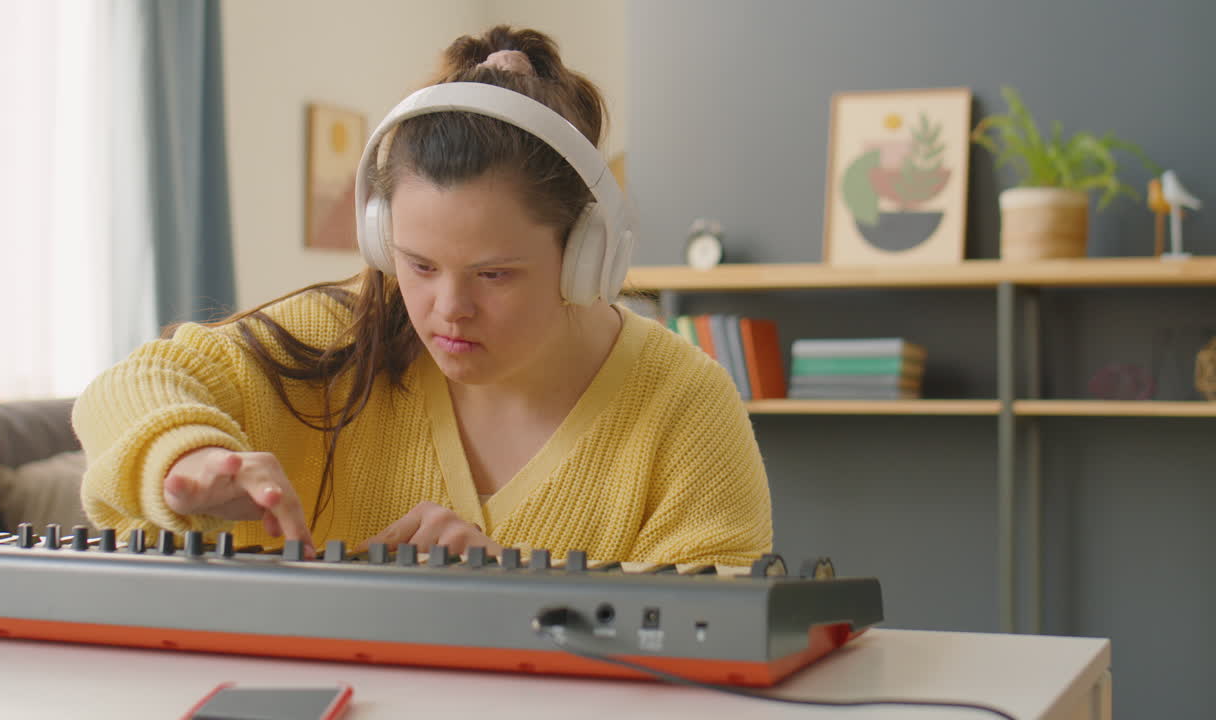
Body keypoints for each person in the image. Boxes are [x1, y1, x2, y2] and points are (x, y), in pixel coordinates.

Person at [73, 25, 772, 567]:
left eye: (494, 274)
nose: (449, 309)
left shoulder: (685, 410)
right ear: (381, 240)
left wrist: (519, 598)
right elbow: (131, 385)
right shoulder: (340, 336)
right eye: (419, 265)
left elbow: (718, 658)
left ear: (586, 257)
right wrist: (188, 458)